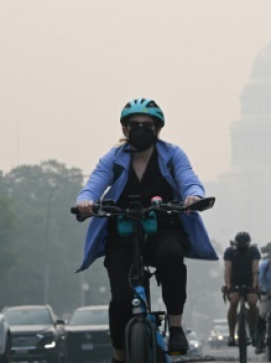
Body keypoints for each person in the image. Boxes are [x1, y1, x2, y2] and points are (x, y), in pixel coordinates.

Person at [76, 98, 218, 362]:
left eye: (147, 125)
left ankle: (175, 327)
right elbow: (94, 183)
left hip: (163, 229)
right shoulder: (113, 158)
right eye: (134, 125)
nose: (141, 129)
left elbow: (189, 180)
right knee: (120, 300)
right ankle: (119, 355)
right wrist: (85, 201)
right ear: (125, 130)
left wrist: (192, 196)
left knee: (172, 257)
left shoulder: (173, 155)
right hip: (123, 233)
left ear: (158, 129)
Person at [222, 231, 261, 347]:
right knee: (233, 301)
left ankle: (253, 330)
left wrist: (255, 283)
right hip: (235, 282)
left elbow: (255, 268)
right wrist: (228, 284)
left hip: (249, 282)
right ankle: (231, 334)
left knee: (253, 302)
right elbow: (228, 268)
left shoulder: (253, 251)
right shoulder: (230, 252)